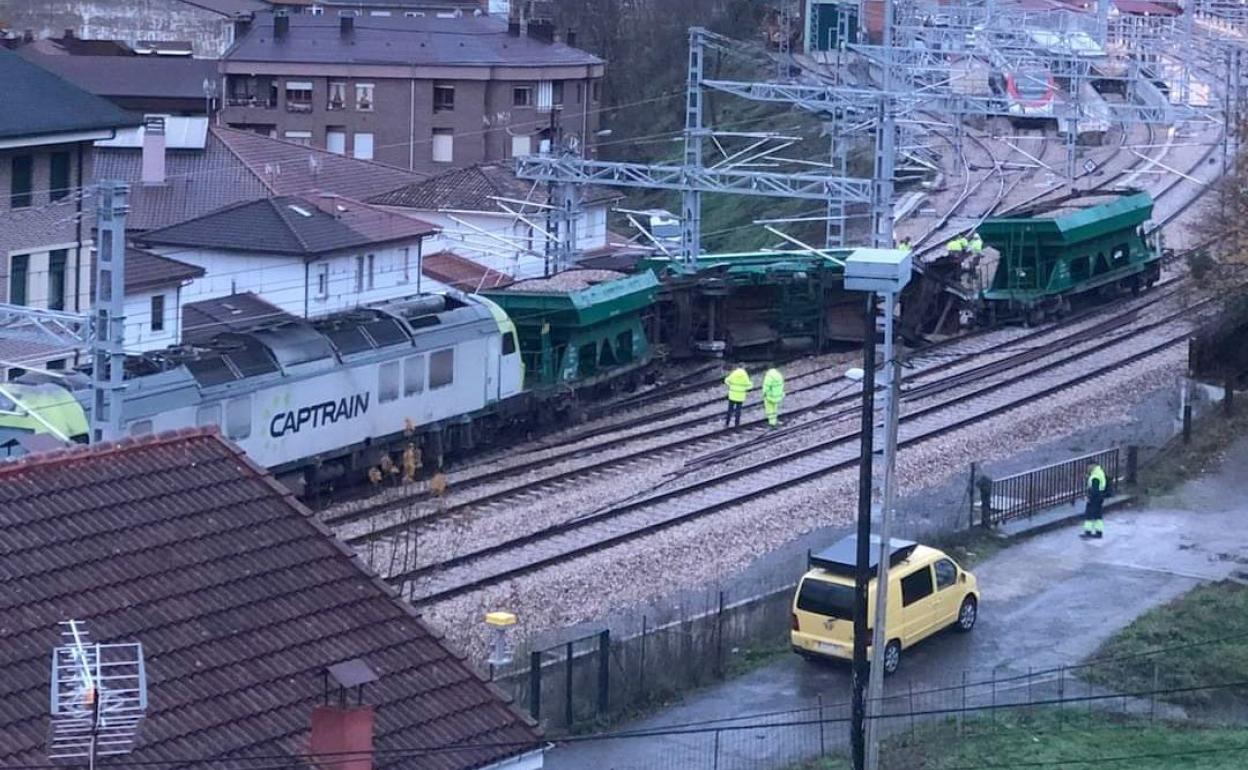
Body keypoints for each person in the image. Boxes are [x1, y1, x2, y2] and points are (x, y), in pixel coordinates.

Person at [1081, 461, 1107, 539]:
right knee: (1097, 515)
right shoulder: (1099, 472)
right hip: (1100, 496)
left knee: (1089, 514)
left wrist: (1089, 498)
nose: (1087, 468)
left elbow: (1094, 489)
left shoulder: (1095, 476)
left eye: (1088, 466)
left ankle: (1088, 532)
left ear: (1093, 466)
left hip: (1095, 497)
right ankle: (1098, 532)